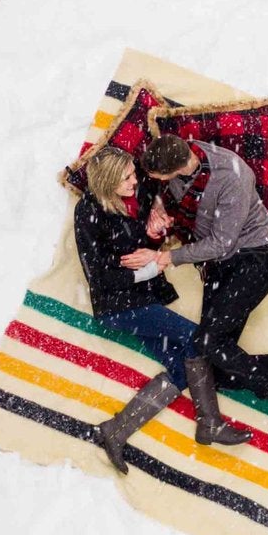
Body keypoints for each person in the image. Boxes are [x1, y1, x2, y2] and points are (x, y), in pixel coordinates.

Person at [122, 133, 268, 450]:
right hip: (218, 268)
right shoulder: (178, 156)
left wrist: (166, 258)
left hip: (254, 260)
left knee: (207, 342)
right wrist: (159, 206)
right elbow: (168, 194)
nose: (153, 182)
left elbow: (222, 243)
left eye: (160, 179)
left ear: (175, 168)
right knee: (207, 367)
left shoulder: (231, 175)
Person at [73, 147, 220, 472]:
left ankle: (113, 431)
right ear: (109, 180)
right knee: (200, 341)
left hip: (144, 300)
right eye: (126, 177)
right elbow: (101, 276)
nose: (134, 180)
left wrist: (158, 224)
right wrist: (151, 267)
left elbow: (148, 236)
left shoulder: (137, 194)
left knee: (182, 369)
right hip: (119, 306)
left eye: (132, 173)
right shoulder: (88, 214)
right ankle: (211, 423)